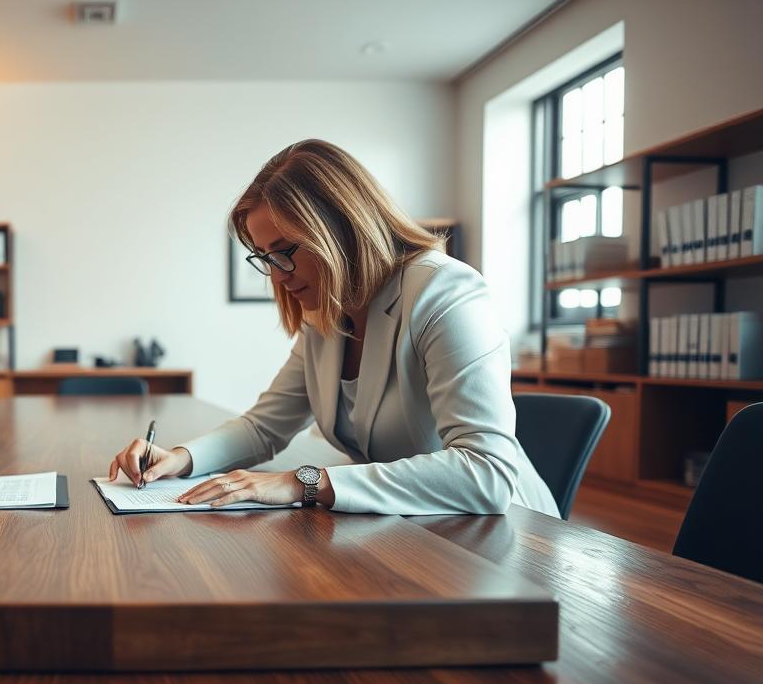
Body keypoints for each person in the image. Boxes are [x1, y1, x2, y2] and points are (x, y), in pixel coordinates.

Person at [108, 140, 559, 517]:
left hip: (508, 539)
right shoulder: (326, 314)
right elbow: (264, 427)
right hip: (408, 527)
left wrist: (301, 482)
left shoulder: (444, 292)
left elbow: (487, 472)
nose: (278, 275)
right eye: (266, 257)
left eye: (286, 251)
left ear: (343, 227)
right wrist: (180, 458)